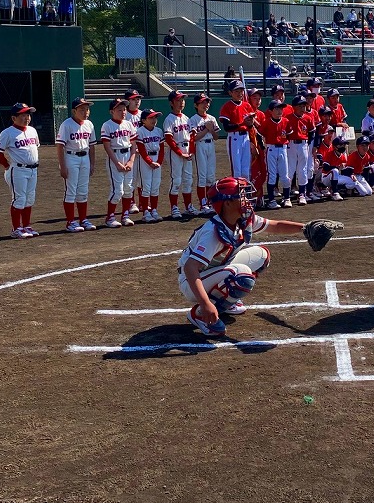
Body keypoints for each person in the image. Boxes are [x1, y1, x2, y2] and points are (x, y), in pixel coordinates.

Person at [178, 176, 312, 336]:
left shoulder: (243, 218)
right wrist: (205, 302)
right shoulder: (212, 232)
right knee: (242, 275)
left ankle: (225, 302)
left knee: (262, 255)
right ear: (227, 203)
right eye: (240, 195)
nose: (246, 199)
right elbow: (190, 267)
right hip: (192, 281)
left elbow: (274, 226)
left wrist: (305, 228)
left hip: (213, 271)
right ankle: (200, 314)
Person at [0, 102, 41, 238]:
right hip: (18, 170)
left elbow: (35, 147)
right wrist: (6, 165)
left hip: (33, 170)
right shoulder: (8, 132)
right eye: (23, 115)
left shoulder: (32, 131)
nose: (27, 118)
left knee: (29, 199)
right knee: (19, 199)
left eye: (28, 115)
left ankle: (26, 226)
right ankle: (16, 228)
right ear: (14, 118)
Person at [56, 97, 97, 231]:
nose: (86, 112)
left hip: (84, 158)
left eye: (87, 109)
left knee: (83, 191)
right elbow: (60, 146)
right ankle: (70, 222)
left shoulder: (89, 124)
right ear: (74, 111)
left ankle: (83, 219)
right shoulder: (66, 124)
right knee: (71, 191)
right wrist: (62, 166)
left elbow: (91, 146)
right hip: (71, 157)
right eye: (82, 109)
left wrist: (92, 163)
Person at [99, 97, 139, 228]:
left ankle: (125, 215)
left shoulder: (128, 124)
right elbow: (107, 146)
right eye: (119, 109)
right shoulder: (107, 125)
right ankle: (110, 217)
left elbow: (134, 144)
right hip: (115, 157)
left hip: (128, 156)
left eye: (124, 109)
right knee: (118, 191)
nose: (123, 112)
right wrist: (116, 163)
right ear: (112, 111)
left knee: (128, 189)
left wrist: (131, 161)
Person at [163, 89, 195, 219]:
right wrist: (180, 153)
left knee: (188, 180)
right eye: (178, 100)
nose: (181, 102)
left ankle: (188, 206)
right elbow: (169, 140)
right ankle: (174, 207)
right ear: (171, 103)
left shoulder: (187, 118)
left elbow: (192, 137)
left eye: (182, 100)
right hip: (176, 152)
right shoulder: (169, 119)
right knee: (176, 180)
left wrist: (191, 151)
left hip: (187, 151)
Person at [134, 107, 166, 223]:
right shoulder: (140, 131)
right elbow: (141, 150)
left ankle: (154, 210)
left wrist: (159, 162)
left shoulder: (158, 131)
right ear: (143, 120)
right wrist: (149, 162)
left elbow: (162, 148)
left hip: (156, 158)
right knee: (146, 187)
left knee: (155, 187)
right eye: (151, 117)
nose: (154, 120)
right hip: (145, 160)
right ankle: (146, 212)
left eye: (155, 117)